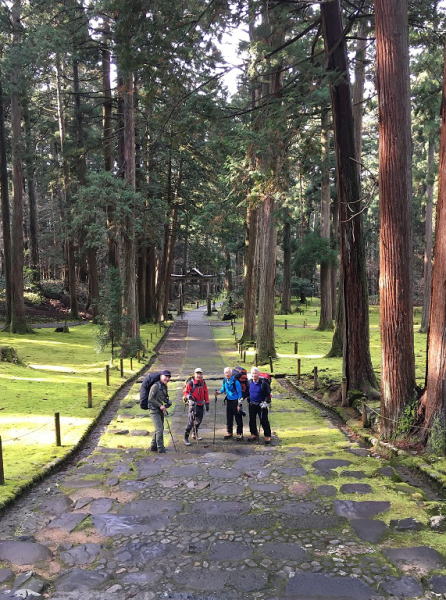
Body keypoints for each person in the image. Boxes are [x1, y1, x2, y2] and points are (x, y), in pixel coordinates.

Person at [183, 367, 210, 446]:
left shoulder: (203, 382)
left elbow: (206, 392)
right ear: (194, 374)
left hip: (201, 405)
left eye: (200, 373)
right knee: (191, 422)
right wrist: (189, 397)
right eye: (197, 373)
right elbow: (186, 393)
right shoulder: (191, 383)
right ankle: (185, 437)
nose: (199, 375)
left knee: (199, 421)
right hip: (193, 405)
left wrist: (207, 402)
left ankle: (194, 434)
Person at [216, 367, 244, 440]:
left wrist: (239, 404)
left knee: (238, 418)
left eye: (228, 372)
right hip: (229, 401)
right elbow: (223, 389)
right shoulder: (225, 380)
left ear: (231, 373)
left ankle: (239, 433)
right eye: (225, 372)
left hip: (236, 401)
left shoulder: (236, 381)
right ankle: (229, 432)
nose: (227, 374)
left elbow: (240, 393)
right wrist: (219, 392)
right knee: (229, 418)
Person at [148, 370, 172, 453]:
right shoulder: (155, 386)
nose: (167, 378)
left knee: (158, 429)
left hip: (160, 410)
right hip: (154, 410)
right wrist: (160, 405)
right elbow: (150, 399)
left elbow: (165, 397)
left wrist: (167, 402)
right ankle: (160, 448)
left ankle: (153, 446)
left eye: (169, 377)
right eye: (166, 376)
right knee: (160, 429)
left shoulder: (164, 386)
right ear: (161, 376)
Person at [247, 367, 272, 445]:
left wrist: (266, 402)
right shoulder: (249, 382)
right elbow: (247, 393)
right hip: (252, 404)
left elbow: (268, 395)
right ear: (251, 374)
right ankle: (254, 434)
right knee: (252, 420)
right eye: (253, 373)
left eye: (256, 373)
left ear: (259, 374)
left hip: (261, 405)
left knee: (264, 420)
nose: (254, 375)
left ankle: (267, 435)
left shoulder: (263, 384)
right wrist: (241, 399)